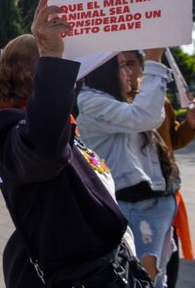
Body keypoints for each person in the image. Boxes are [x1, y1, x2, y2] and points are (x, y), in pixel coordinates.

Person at [0, 0, 148, 288]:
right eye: (59, 65)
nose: (71, 77)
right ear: (28, 73)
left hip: (110, 266)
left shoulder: (59, 120)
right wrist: (51, 55)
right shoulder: (7, 124)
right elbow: (43, 151)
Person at [76, 49, 175, 287]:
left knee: (159, 276)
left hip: (151, 202)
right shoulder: (90, 101)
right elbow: (145, 116)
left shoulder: (114, 99)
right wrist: (154, 59)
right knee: (145, 280)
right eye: (121, 65)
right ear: (104, 72)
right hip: (130, 205)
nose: (129, 72)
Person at [122, 50, 195, 287]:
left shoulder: (162, 101)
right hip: (132, 199)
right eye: (120, 65)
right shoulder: (114, 105)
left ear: (141, 67)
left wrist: (191, 124)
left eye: (130, 63)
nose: (126, 70)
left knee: (168, 262)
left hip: (165, 194)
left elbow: (173, 140)